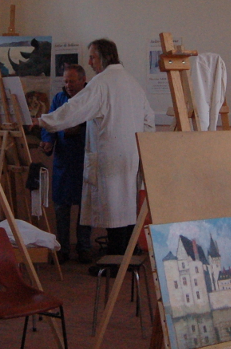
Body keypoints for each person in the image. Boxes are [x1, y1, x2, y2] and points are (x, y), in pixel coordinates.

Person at [37, 39, 156, 256]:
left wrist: (44, 121)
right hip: (131, 156)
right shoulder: (132, 82)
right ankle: (127, 255)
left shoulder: (101, 83)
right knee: (127, 207)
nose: (90, 62)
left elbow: (74, 109)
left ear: (102, 57)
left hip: (110, 155)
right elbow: (149, 119)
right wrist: (140, 147)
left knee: (114, 209)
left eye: (92, 57)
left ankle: (117, 260)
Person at [41, 64, 93, 263]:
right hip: (63, 160)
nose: (68, 85)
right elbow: (51, 122)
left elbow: (97, 124)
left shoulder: (91, 97)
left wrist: (79, 129)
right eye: (66, 81)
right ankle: (62, 249)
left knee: (85, 207)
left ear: (82, 80)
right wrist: (48, 141)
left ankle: (84, 248)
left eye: (72, 81)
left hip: (84, 159)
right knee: (61, 208)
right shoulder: (59, 98)